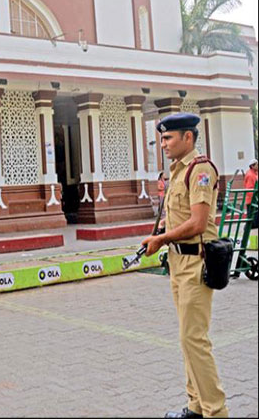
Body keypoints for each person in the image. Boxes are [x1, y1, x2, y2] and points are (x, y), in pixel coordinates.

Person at [140, 113, 228, 419]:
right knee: (186, 339)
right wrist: (162, 230)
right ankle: (196, 406)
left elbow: (198, 222)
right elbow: (179, 215)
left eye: (168, 138)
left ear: (187, 137)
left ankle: (216, 412)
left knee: (195, 339)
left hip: (196, 262)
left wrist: (162, 238)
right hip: (179, 263)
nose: (162, 144)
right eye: (162, 138)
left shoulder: (200, 169)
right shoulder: (178, 171)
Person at [245, 158, 258, 228]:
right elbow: (249, 189)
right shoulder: (250, 175)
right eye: (257, 165)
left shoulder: (254, 173)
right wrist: (255, 198)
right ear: (252, 166)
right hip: (252, 199)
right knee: (253, 218)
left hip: (254, 198)